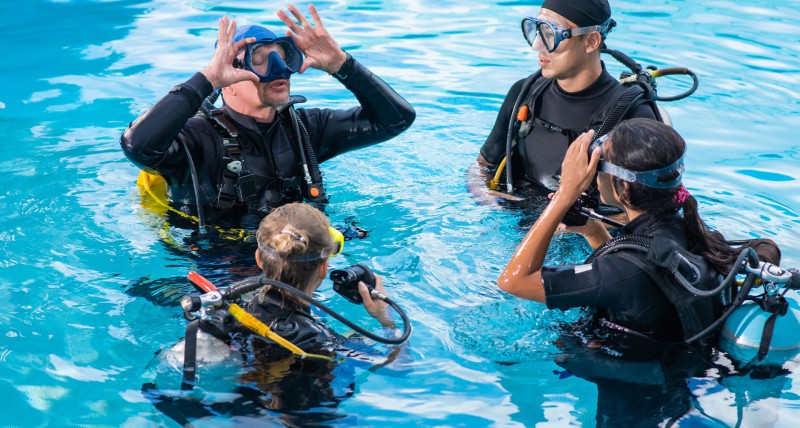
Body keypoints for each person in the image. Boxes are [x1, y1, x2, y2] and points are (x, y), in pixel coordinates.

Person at [121, 5, 415, 228]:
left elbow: (397, 119)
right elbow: (138, 146)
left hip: (295, 259)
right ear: (229, 78)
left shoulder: (305, 130)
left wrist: (342, 64)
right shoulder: (196, 139)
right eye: (259, 60)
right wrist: (207, 79)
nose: (278, 69)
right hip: (216, 269)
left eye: (283, 56)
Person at [497, 118, 780, 343]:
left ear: (625, 186)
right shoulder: (691, 234)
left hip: (641, 402)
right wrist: (594, 232)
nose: (595, 177)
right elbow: (641, 282)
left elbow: (514, 281)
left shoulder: (623, 271)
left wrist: (565, 194)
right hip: (685, 380)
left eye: (600, 167)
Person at [143, 202, 401, 424]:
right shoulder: (320, 340)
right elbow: (400, 368)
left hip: (231, 406)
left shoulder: (230, 308)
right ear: (324, 268)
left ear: (257, 258)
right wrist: (385, 319)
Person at [470, 0, 658, 202]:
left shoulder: (633, 117)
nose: (537, 46)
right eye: (537, 30)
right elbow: (481, 167)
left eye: (551, 34)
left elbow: (650, 215)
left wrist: (577, 224)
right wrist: (486, 199)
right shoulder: (524, 94)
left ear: (591, 41)